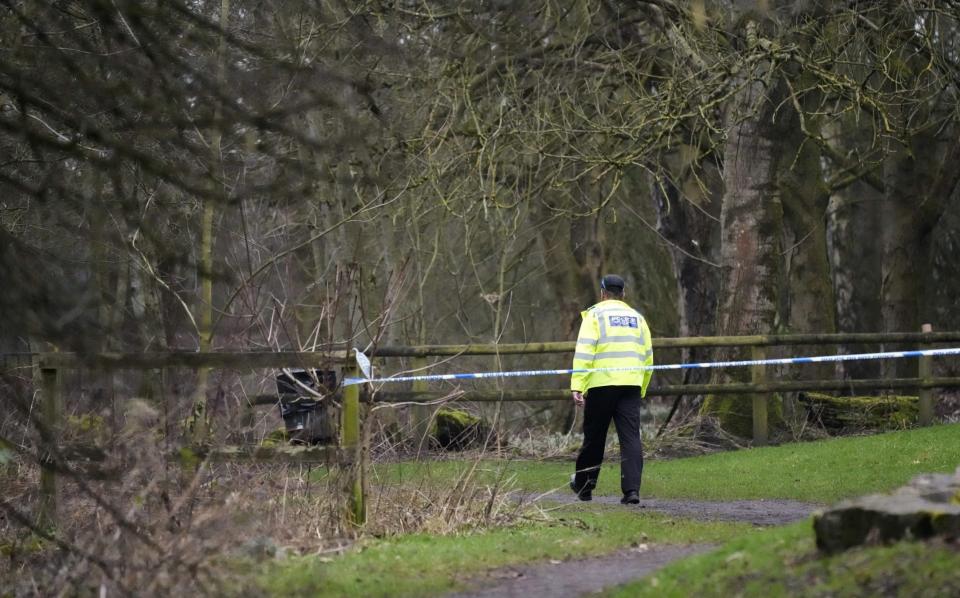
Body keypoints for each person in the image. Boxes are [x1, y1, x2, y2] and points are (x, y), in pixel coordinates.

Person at [569, 274, 654, 504]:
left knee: (595, 437)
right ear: (623, 294)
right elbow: (648, 358)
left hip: (601, 384)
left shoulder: (594, 315)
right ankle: (631, 491)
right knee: (631, 438)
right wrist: (641, 387)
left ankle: (584, 486)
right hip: (631, 385)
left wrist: (578, 385)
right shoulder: (638, 318)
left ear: (602, 293)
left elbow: (585, 352)